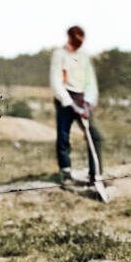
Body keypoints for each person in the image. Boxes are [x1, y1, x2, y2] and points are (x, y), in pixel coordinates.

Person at [49, 26, 103, 185]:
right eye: (76, 41)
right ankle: (65, 172)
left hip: (82, 97)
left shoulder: (84, 56)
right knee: (64, 136)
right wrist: (72, 105)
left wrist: (88, 103)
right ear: (69, 38)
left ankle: (95, 174)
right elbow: (56, 83)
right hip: (65, 97)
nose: (78, 45)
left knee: (95, 136)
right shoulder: (59, 55)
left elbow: (90, 81)